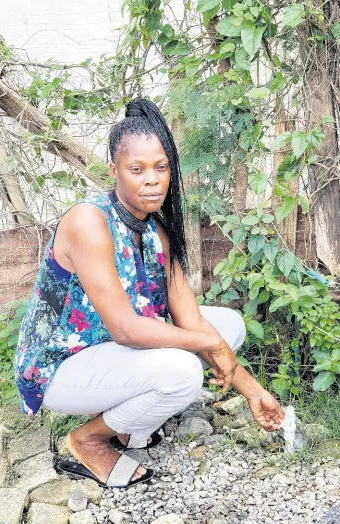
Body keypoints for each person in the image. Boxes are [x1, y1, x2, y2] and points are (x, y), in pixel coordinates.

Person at [14, 98, 284, 489]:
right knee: (185, 371)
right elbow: (126, 330)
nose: (152, 180)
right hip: (59, 368)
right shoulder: (88, 222)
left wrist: (255, 393)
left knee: (230, 325)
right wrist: (211, 344)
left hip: (106, 355)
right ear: (114, 170)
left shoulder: (155, 229)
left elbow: (190, 319)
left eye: (161, 168)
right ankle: (88, 439)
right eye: (136, 169)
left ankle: (126, 422)